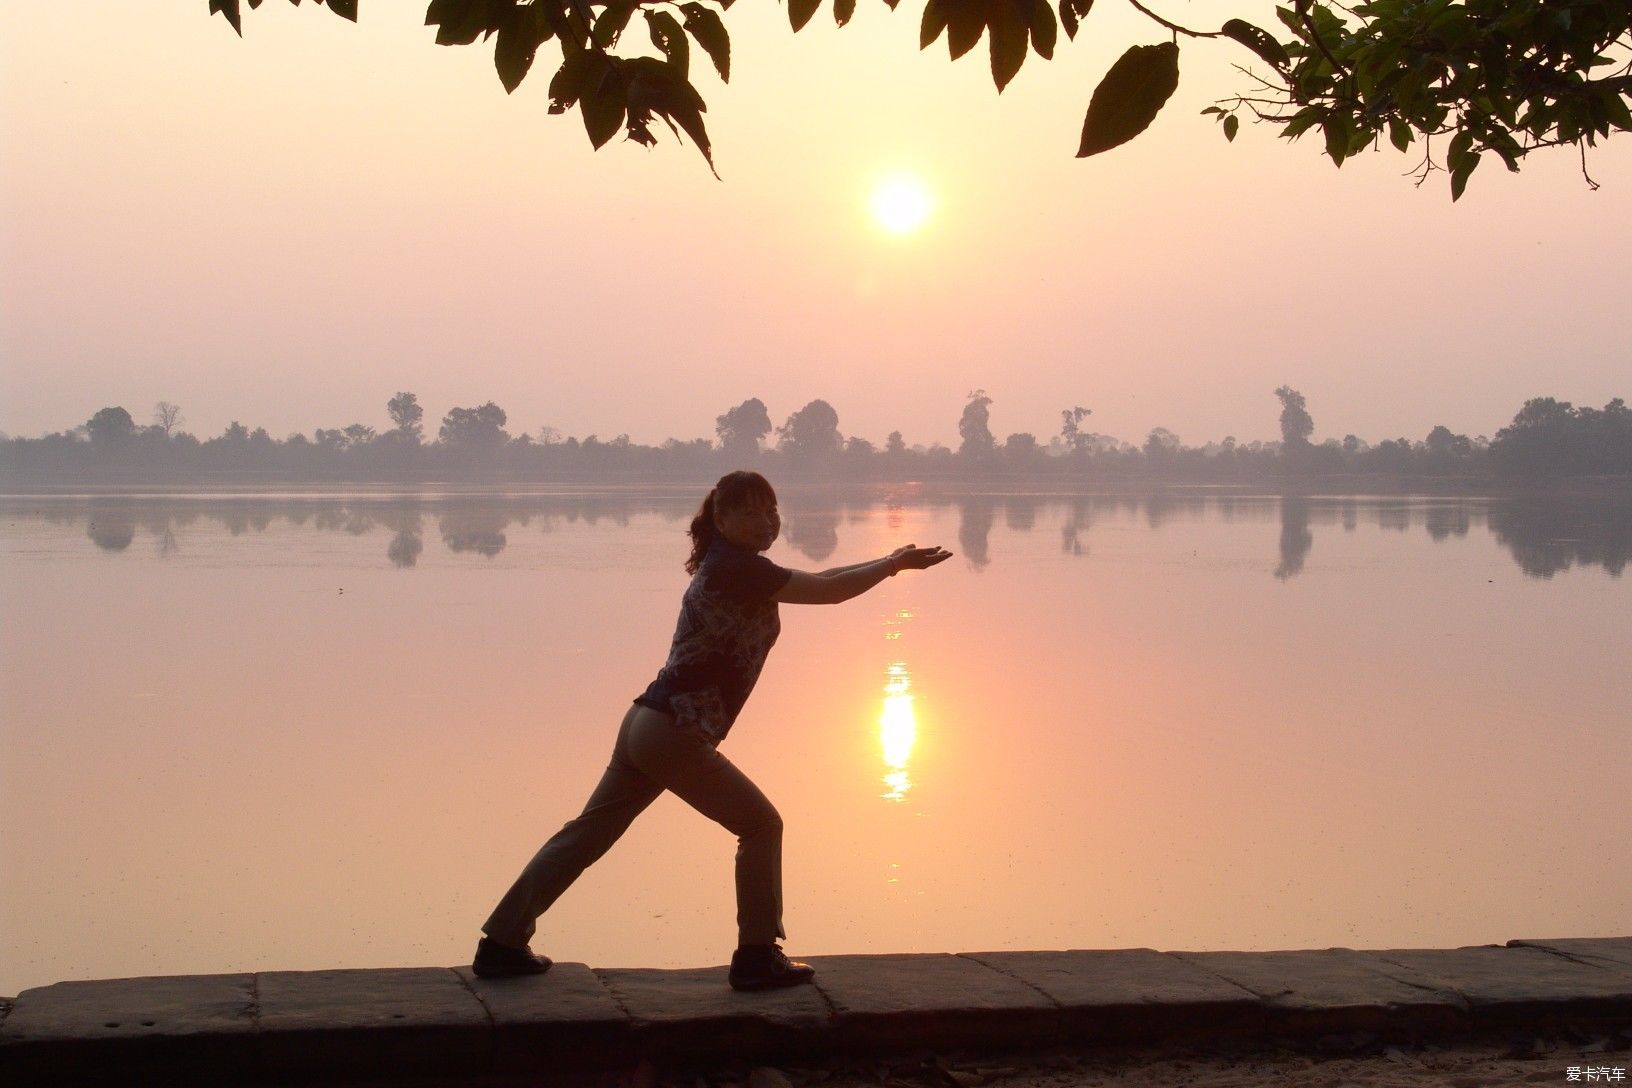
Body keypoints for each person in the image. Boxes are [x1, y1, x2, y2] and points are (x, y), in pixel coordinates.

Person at [473, 470, 953, 991]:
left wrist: (890, 562)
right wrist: (890, 566)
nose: (765, 520)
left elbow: (822, 577)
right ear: (720, 520)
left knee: (588, 832)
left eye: (770, 510)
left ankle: (501, 942)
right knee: (761, 826)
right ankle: (756, 955)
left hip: (648, 723)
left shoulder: (736, 566)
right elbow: (827, 591)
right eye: (748, 511)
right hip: (674, 731)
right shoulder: (733, 568)